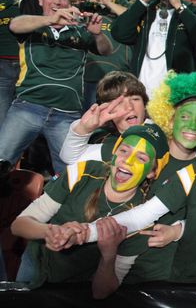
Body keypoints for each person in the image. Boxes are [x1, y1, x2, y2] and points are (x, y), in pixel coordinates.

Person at [81, 98, 196, 284]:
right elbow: (143, 215)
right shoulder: (195, 170)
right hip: (179, 279)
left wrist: (178, 230)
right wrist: (85, 232)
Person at [10, 123, 168, 288]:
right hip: (36, 265)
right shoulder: (82, 172)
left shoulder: (142, 219)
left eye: (141, 158)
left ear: (152, 172)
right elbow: (18, 226)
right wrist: (51, 232)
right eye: (124, 150)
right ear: (114, 153)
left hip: (75, 289)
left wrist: (109, 254)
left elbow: (101, 292)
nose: (127, 160)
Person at [0, 0, 112, 174]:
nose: (57, 1)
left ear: (68, 2)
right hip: (29, 106)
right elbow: (15, 25)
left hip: (66, 113)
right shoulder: (33, 25)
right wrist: (51, 19)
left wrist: (97, 34)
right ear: (40, 1)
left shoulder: (79, 31)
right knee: (1, 159)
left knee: (70, 175)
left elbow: (106, 50)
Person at [111, 0, 196, 96]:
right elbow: (120, 33)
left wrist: (179, 7)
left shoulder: (189, 10)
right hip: (141, 93)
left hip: (175, 94)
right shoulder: (146, 9)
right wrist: (141, 2)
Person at [60, 71, 149, 166]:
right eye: (119, 103)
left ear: (144, 104)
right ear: (106, 110)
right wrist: (83, 128)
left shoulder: (162, 132)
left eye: (135, 99)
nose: (130, 107)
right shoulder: (107, 144)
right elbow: (70, 158)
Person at [79, 0, 132, 109]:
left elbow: (132, 17)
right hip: (92, 74)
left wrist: (107, 2)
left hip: (119, 76)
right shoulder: (88, 6)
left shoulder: (127, 5)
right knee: (90, 120)